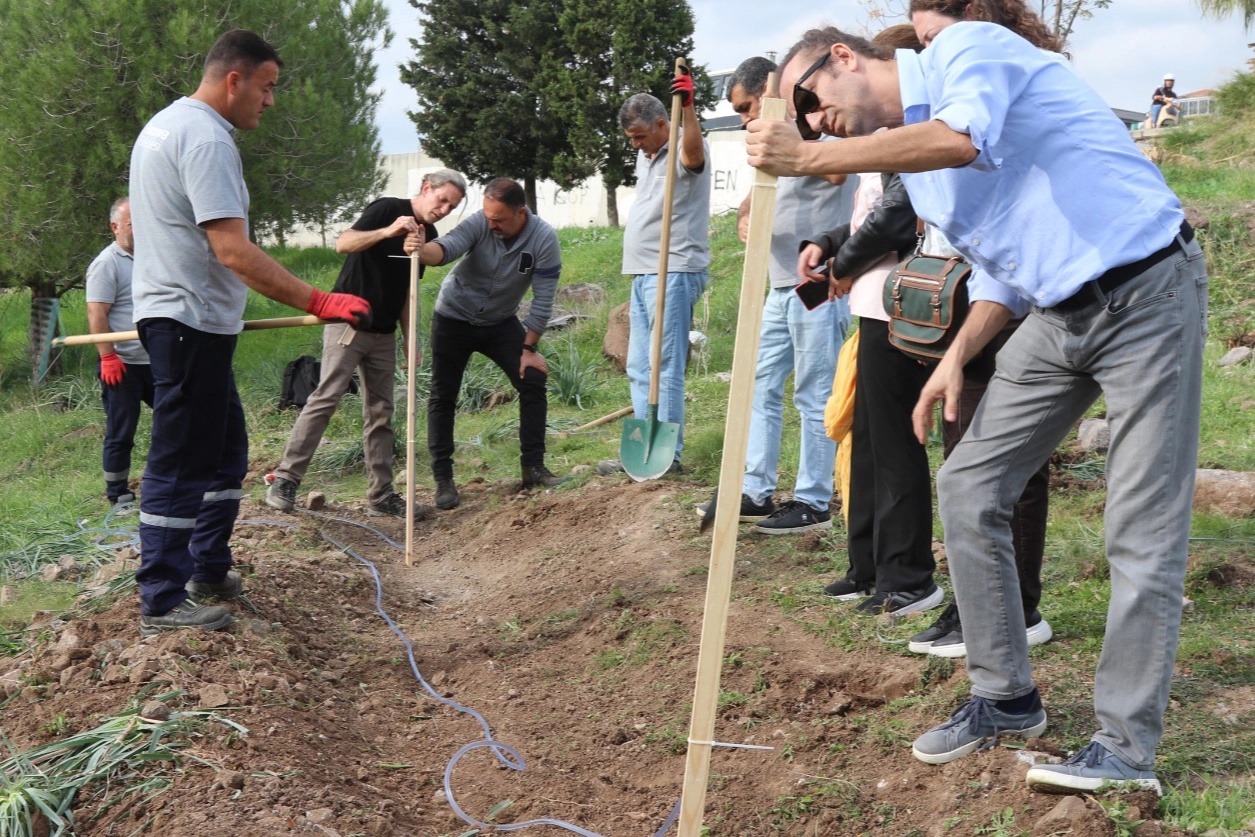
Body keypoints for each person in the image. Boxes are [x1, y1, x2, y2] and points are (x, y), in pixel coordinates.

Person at [748, 19, 1204, 794]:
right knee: (968, 484)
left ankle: (1125, 750)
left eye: (810, 102)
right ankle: (1004, 696)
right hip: (1056, 315)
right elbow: (1000, 267)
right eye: (800, 123)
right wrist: (954, 357)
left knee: (1139, 528)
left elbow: (960, 138)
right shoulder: (916, 172)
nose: (812, 122)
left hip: (1146, 291)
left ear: (844, 58)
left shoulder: (966, 51)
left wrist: (809, 157)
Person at [129, 30, 371, 637]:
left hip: (190, 320)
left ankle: (207, 567)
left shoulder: (165, 124)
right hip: (186, 321)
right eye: (266, 88)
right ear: (233, 80)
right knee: (182, 459)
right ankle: (161, 598)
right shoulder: (207, 138)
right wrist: (320, 299)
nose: (270, 102)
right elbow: (232, 250)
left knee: (226, 451)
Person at [902, 0, 1057, 658]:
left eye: (935, 38)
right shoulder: (945, 100)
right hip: (968, 294)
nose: (930, 56)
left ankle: (1016, 607)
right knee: (964, 454)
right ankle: (976, 602)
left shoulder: (1014, 88)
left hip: (1014, 297)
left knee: (1003, 462)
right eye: (921, 46)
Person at [697, 56, 855, 534]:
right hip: (779, 286)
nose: (744, 118)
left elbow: (836, 174)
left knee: (813, 392)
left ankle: (813, 500)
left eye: (748, 107)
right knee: (760, 386)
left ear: (769, 98)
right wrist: (746, 215)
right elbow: (757, 193)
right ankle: (755, 490)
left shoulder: (817, 131)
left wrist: (788, 131)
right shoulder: (770, 146)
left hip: (816, 285)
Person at [265, 170, 467, 517]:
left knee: (381, 412)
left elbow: (407, 290)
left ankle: (381, 495)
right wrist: (388, 231)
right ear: (425, 188)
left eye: (453, 206)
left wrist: (409, 339)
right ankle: (285, 480)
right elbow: (344, 243)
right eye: (442, 199)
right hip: (349, 323)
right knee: (325, 398)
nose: (445, 209)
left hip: (384, 333)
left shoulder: (426, 234)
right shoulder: (387, 208)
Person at [405, 178, 565, 510]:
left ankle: (533, 468)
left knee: (533, 380)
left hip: (500, 321)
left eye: (499, 220)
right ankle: (444, 479)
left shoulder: (544, 238)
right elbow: (447, 247)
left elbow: (544, 299)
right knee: (443, 395)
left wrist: (529, 349)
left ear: (520, 212)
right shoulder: (481, 222)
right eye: (488, 217)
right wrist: (422, 250)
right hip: (453, 317)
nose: (492, 224)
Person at [597, 74, 712, 477]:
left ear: (664, 124)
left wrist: (691, 108)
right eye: (630, 138)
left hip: (674, 270)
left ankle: (671, 455)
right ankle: (644, 448)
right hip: (644, 274)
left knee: (665, 364)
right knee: (639, 366)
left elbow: (694, 157)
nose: (635, 144)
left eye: (640, 136)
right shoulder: (646, 156)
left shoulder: (685, 146)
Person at [85, 196, 152, 506]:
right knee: (121, 432)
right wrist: (108, 356)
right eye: (131, 223)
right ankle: (118, 495)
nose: (139, 229)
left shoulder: (153, 257)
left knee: (178, 418)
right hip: (122, 364)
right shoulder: (106, 264)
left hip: (156, 361)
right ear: (114, 227)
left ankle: (167, 483)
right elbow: (97, 314)